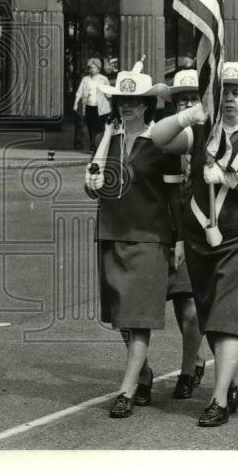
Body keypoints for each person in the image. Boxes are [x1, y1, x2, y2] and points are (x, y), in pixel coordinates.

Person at [151, 62, 238, 428]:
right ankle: (234, 382)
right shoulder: (203, 134)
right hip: (200, 239)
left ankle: (218, 398)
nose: (229, 100)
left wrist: (229, 177)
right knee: (210, 316)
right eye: (224, 92)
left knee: (229, 316)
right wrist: (191, 114)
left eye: (236, 92)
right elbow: (159, 138)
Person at [83, 62, 181, 418]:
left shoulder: (163, 143)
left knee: (138, 317)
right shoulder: (105, 140)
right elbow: (92, 187)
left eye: (136, 100)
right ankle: (143, 372)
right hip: (111, 233)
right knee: (122, 318)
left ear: (147, 104)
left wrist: (179, 239)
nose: (128, 105)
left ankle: (125, 391)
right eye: (122, 99)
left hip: (150, 238)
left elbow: (175, 198)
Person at [155, 68, 208, 399]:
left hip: (196, 230)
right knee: (176, 300)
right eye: (181, 100)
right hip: (163, 228)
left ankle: (190, 368)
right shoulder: (165, 136)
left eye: (193, 98)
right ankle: (196, 357)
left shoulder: (209, 137)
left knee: (189, 304)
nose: (187, 105)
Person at [73, 58, 111, 148]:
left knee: (98, 127)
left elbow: (109, 93)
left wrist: (111, 104)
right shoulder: (85, 79)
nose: (92, 69)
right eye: (90, 67)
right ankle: (93, 144)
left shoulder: (103, 79)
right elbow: (79, 92)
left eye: (94, 67)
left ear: (98, 68)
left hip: (101, 107)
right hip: (89, 107)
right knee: (90, 126)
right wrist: (75, 103)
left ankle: (96, 146)